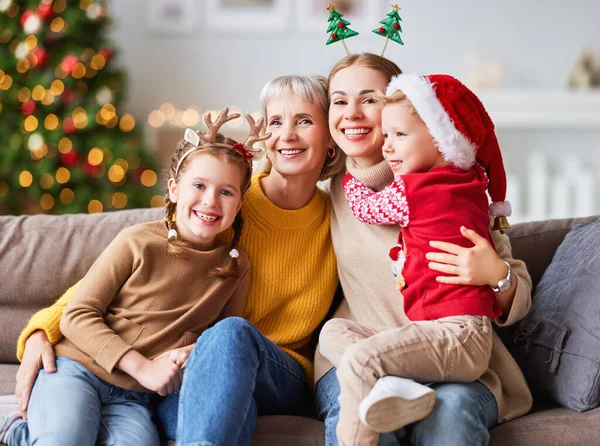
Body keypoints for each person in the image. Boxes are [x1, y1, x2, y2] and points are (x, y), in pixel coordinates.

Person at [8, 75, 343, 446]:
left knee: (228, 333)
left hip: (277, 370)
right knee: (216, 409)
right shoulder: (228, 207)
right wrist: (43, 328)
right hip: (194, 369)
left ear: (330, 137)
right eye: (276, 121)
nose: (288, 135)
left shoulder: (339, 219)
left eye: (305, 121)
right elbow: (138, 271)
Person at [314, 53, 533, 446]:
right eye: (339, 100)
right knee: (362, 403)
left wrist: (495, 274)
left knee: (449, 415)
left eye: (369, 99)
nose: (352, 113)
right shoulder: (330, 187)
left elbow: (517, 292)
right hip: (364, 350)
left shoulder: (452, 186)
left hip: (451, 353)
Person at [1, 112, 256, 446]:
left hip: (131, 399)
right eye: (199, 185)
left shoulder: (236, 268)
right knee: (66, 438)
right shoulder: (136, 241)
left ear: (239, 204)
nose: (211, 200)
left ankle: (29, 429)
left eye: (226, 192)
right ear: (174, 190)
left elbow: (221, 340)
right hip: (78, 368)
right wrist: (143, 368)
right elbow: (76, 315)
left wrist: (191, 351)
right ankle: (22, 429)